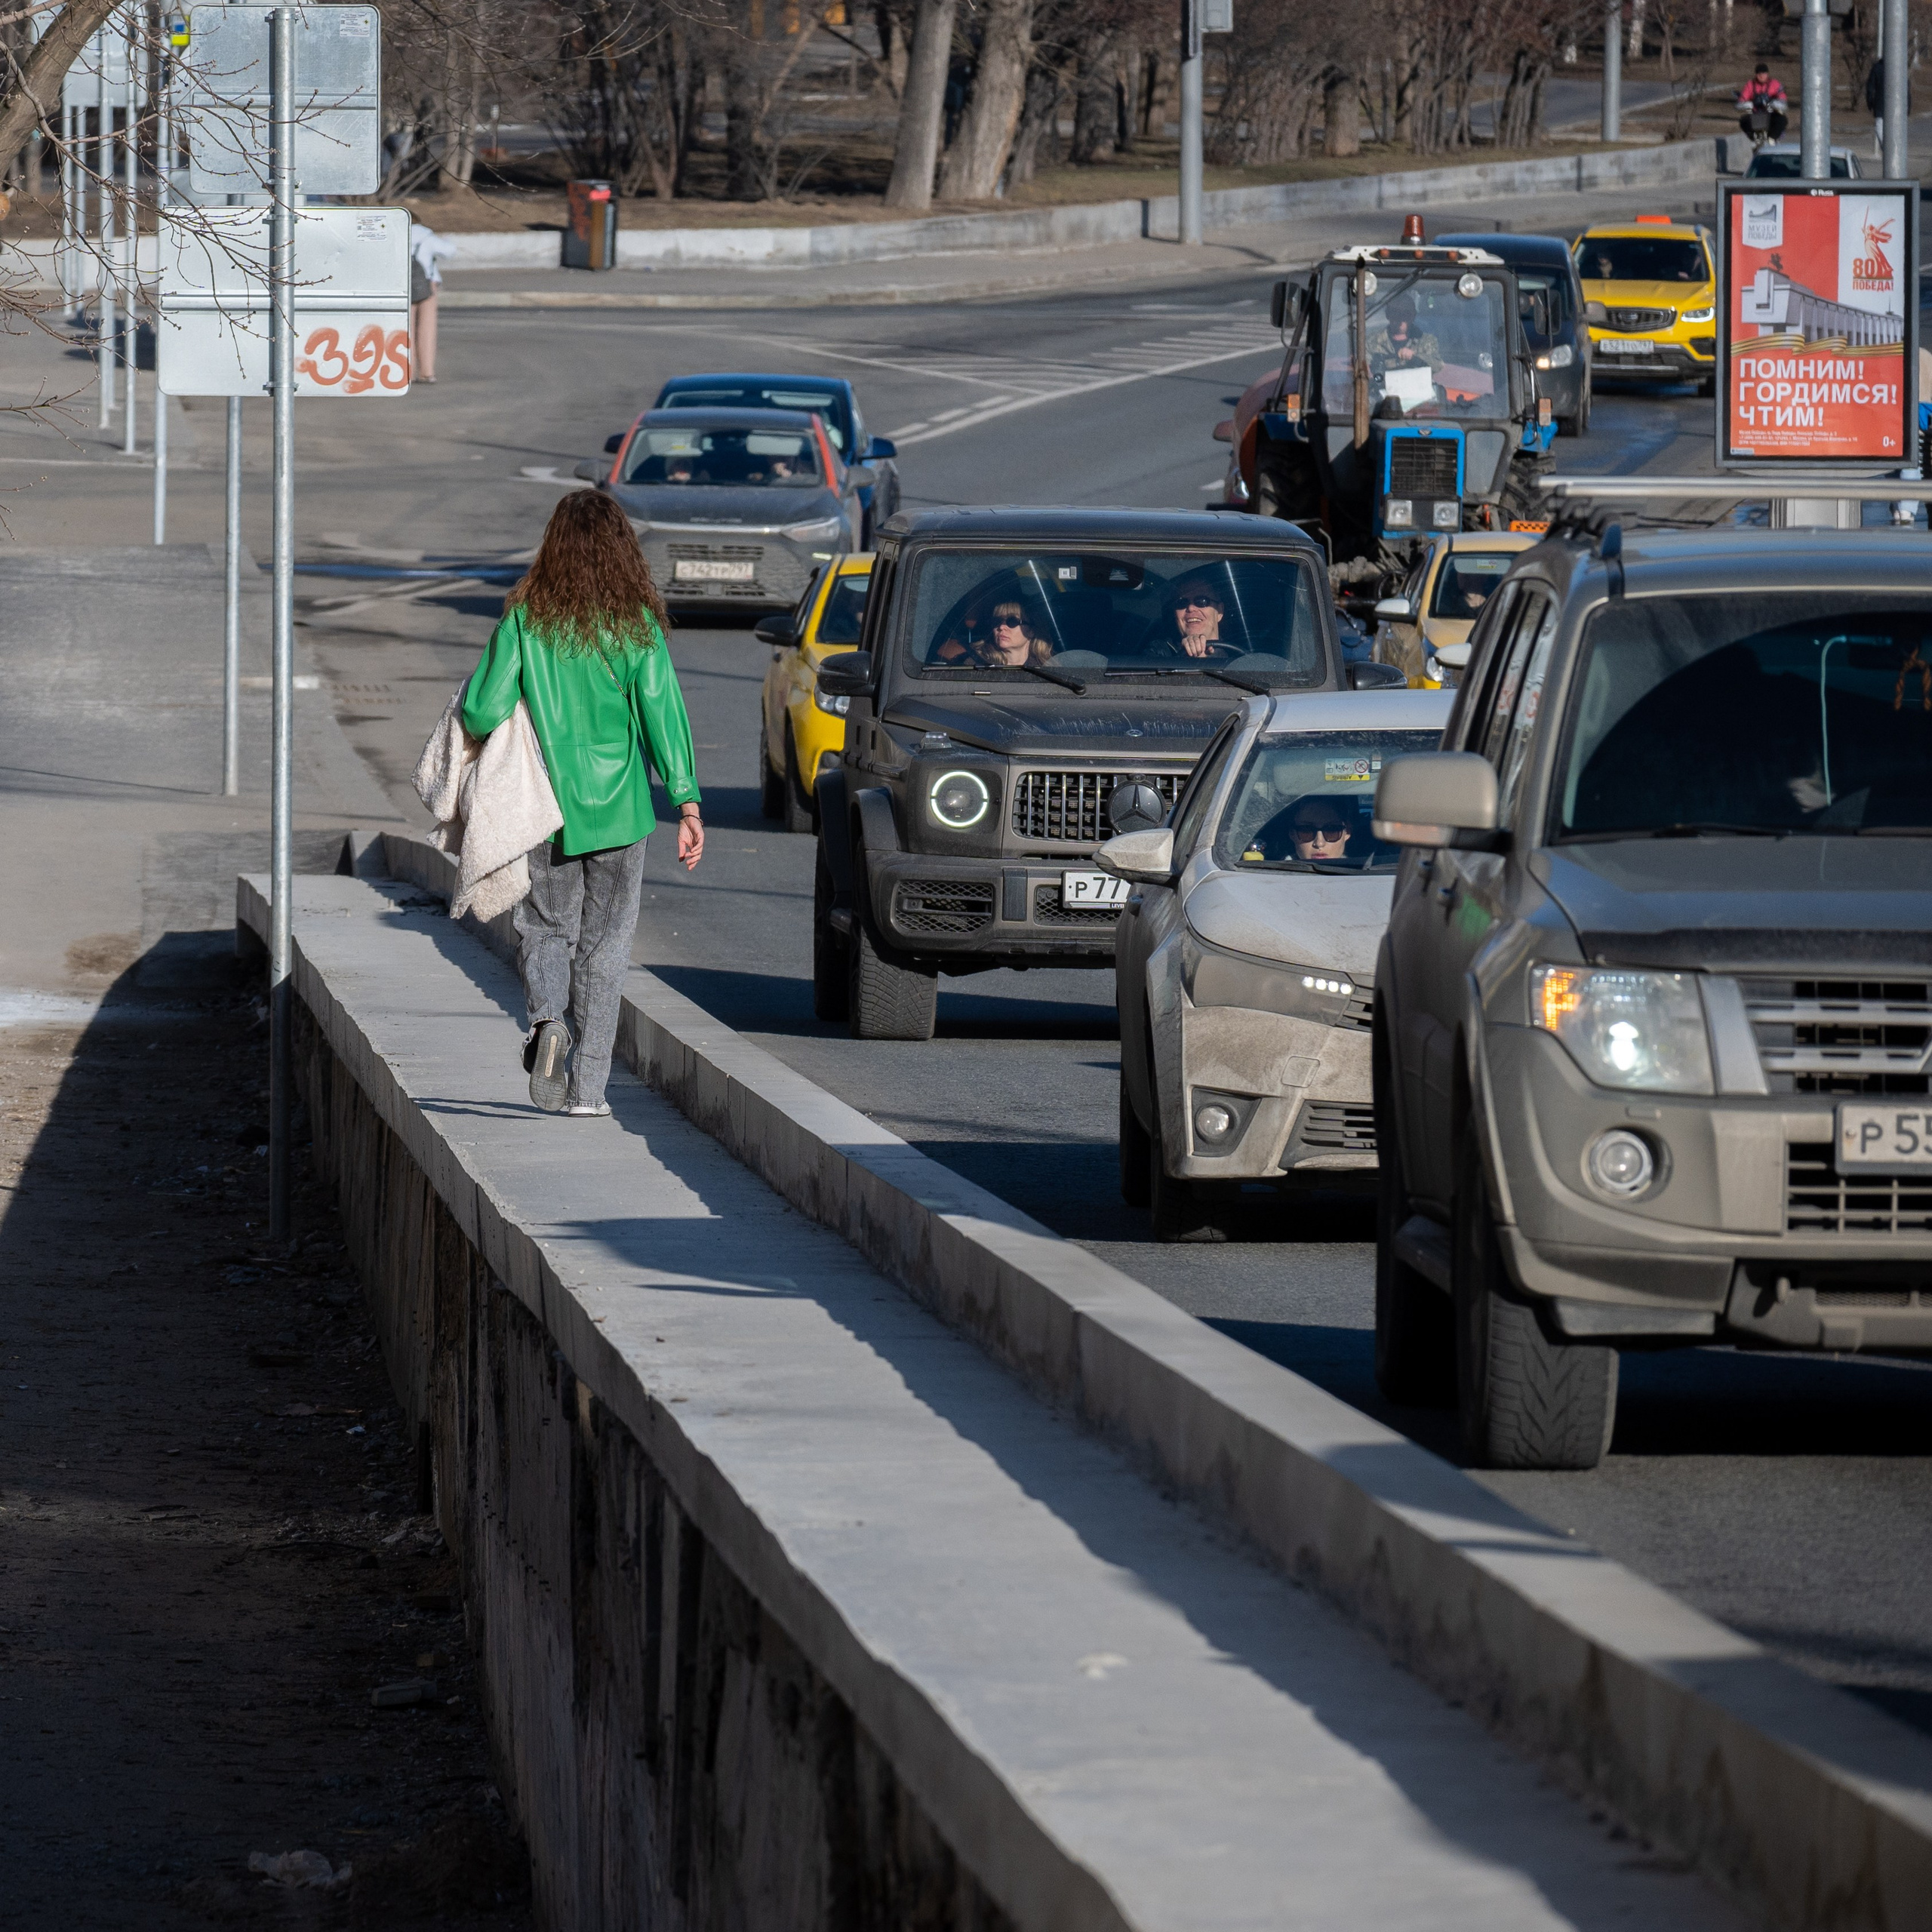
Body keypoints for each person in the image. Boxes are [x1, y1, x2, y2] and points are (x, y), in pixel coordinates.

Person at [461, 491, 704, 1117]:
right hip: (621, 811)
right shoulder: (637, 626)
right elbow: (663, 717)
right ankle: (589, 1093)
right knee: (606, 946)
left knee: (545, 928)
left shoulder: (526, 621)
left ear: (555, 547)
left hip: (546, 810)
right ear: (624, 551)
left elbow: (481, 711)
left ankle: (548, 1022)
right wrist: (687, 804)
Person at [408, 220, 455, 383]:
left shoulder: (397, 234)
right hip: (427, 284)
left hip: (403, 285)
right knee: (427, 328)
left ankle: (407, 372)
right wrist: (447, 239)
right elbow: (449, 251)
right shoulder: (426, 236)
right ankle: (426, 372)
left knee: (407, 329)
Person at [1367, 298, 1443, 379]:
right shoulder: (1372, 341)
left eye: (1405, 315)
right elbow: (1363, 367)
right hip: (1382, 386)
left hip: (1418, 385)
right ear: (1388, 315)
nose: (1400, 320)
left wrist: (1414, 356)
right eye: (1395, 314)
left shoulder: (1426, 341)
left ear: (1413, 316)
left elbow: (1438, 366)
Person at [1164, 576, 1238, 659]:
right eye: (1182, 603)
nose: (1191, 608)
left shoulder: (1239, 657)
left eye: (1201, 601)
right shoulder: (1159, 655)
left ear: (1220, 611)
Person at [1737, 64, 1789, 144]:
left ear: (1767, 74)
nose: (1762, 76)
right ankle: (1754, 140)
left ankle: (1772, 139)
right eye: (1759, 74)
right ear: (1756, 75)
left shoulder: (1775, 84)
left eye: (1764, 74)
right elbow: (1742, 99)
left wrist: (1776, 103)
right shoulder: (1750, 85)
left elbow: (1782, 98)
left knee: (1782, 120)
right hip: (1756, 115)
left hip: (1772, 114)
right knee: (1744, 121)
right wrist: (1745, 104)